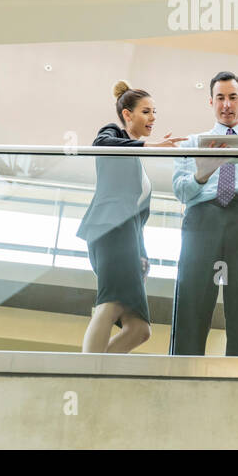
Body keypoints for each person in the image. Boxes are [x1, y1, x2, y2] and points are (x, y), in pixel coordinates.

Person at [170, 71, 238, 356]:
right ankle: (182, 375)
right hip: (202, 221)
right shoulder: (192, 143)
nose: (226, 104)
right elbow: (181, 191)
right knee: (192, 300)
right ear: (211, 102)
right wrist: (201, 177)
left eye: (232, 97)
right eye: (220, 98)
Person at [77, 80, 185, 353]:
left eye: (154, 112)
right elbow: (101, 144)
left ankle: (98, 370)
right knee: (110, 303)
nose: (153, 118)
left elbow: (137, 220)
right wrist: (150, 145)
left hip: (128, 240)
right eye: (146, 111)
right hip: (109, 231)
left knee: (140, 329)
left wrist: (142, 254)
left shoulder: (135, 160)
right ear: (127, 114)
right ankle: (85, 374)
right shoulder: (113, 133)